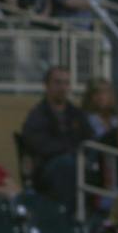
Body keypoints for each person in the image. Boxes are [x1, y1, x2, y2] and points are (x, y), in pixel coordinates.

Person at [18, 66, 89, 197]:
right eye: (57, 82)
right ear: (46, 85)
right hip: (47, 168)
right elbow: (40, 144)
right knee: (66, 164)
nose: (62, 87)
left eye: (66, 83)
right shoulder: (37, 116)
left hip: (77, 163)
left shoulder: (77, 114)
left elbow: (89, 138)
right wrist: (69, 150)